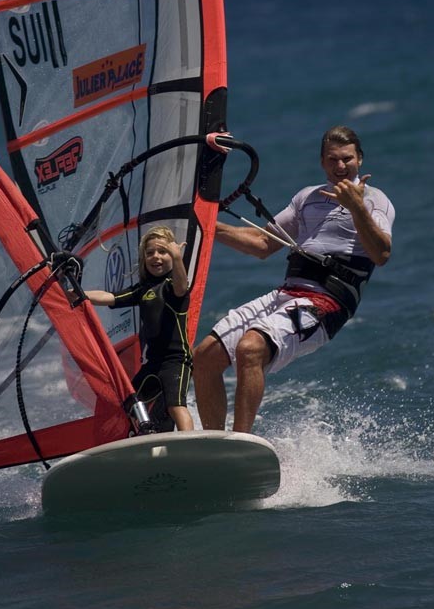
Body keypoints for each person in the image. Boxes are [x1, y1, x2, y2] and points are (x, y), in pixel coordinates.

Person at [193, 125, 395, 434]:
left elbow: (381, 254)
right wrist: (206, 224)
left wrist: (356, 208)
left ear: (360, 160)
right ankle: (213, 443)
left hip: (326, 302)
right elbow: (262, 244)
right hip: (287, 294)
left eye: (347, 159)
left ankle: (240, 443)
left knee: (251, 348)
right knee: (204, 357)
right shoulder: (307, 198)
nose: (340, 167)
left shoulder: (374, 200)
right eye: (332, 160)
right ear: (322, 163)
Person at [85, 225, 194, 433]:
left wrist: (178, 258)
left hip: (176, 360)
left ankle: (189, 445)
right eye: (150, 252)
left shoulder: (173, 287)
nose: (156, 257)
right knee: (130, 402)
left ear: (172, 255)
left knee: (176, 406)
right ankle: (146, 436)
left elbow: (182, 286)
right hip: (153, 362)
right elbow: (111, 297)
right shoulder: (143, 290)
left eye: (163, 252)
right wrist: (81, 294)